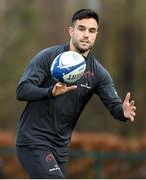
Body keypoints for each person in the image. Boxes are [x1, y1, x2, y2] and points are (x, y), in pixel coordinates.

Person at [15, 9, 136, 179]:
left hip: (61, 147)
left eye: (92, 30)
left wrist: (122, 112)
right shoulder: (48, 57)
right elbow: (22, 90)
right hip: (34, 140)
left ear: (96, 34)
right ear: (71, 31)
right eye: (81, 28)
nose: (86, 34)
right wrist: (50, 91)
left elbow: (114, 106)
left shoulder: (98, 73)